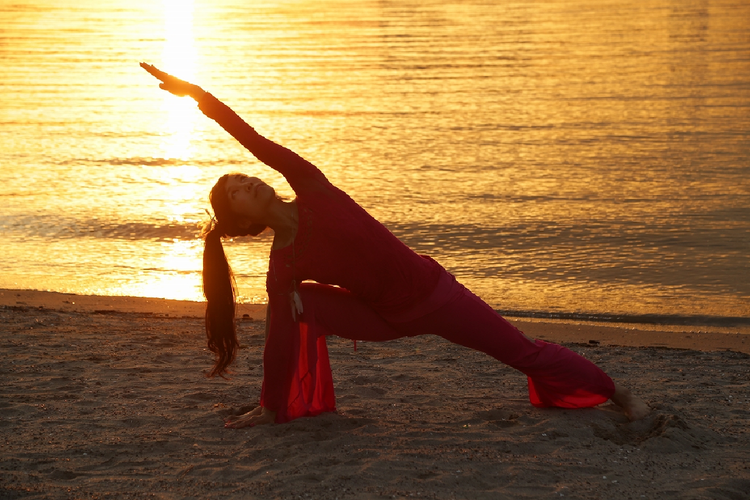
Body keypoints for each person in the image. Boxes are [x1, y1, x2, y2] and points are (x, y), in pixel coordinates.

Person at [141, 63, 649, 428]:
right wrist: (269, 403)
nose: (245, 183)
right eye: (234, 193)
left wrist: (197, 96)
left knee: (522, 352)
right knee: (290, 308)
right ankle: (277, 407)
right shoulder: (285, 260)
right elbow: (277, 341)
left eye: (242, 178)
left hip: (436, 295)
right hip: (384, 318)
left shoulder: (312, 185)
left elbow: (254, 139)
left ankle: (620, 394)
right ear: (243, 220)